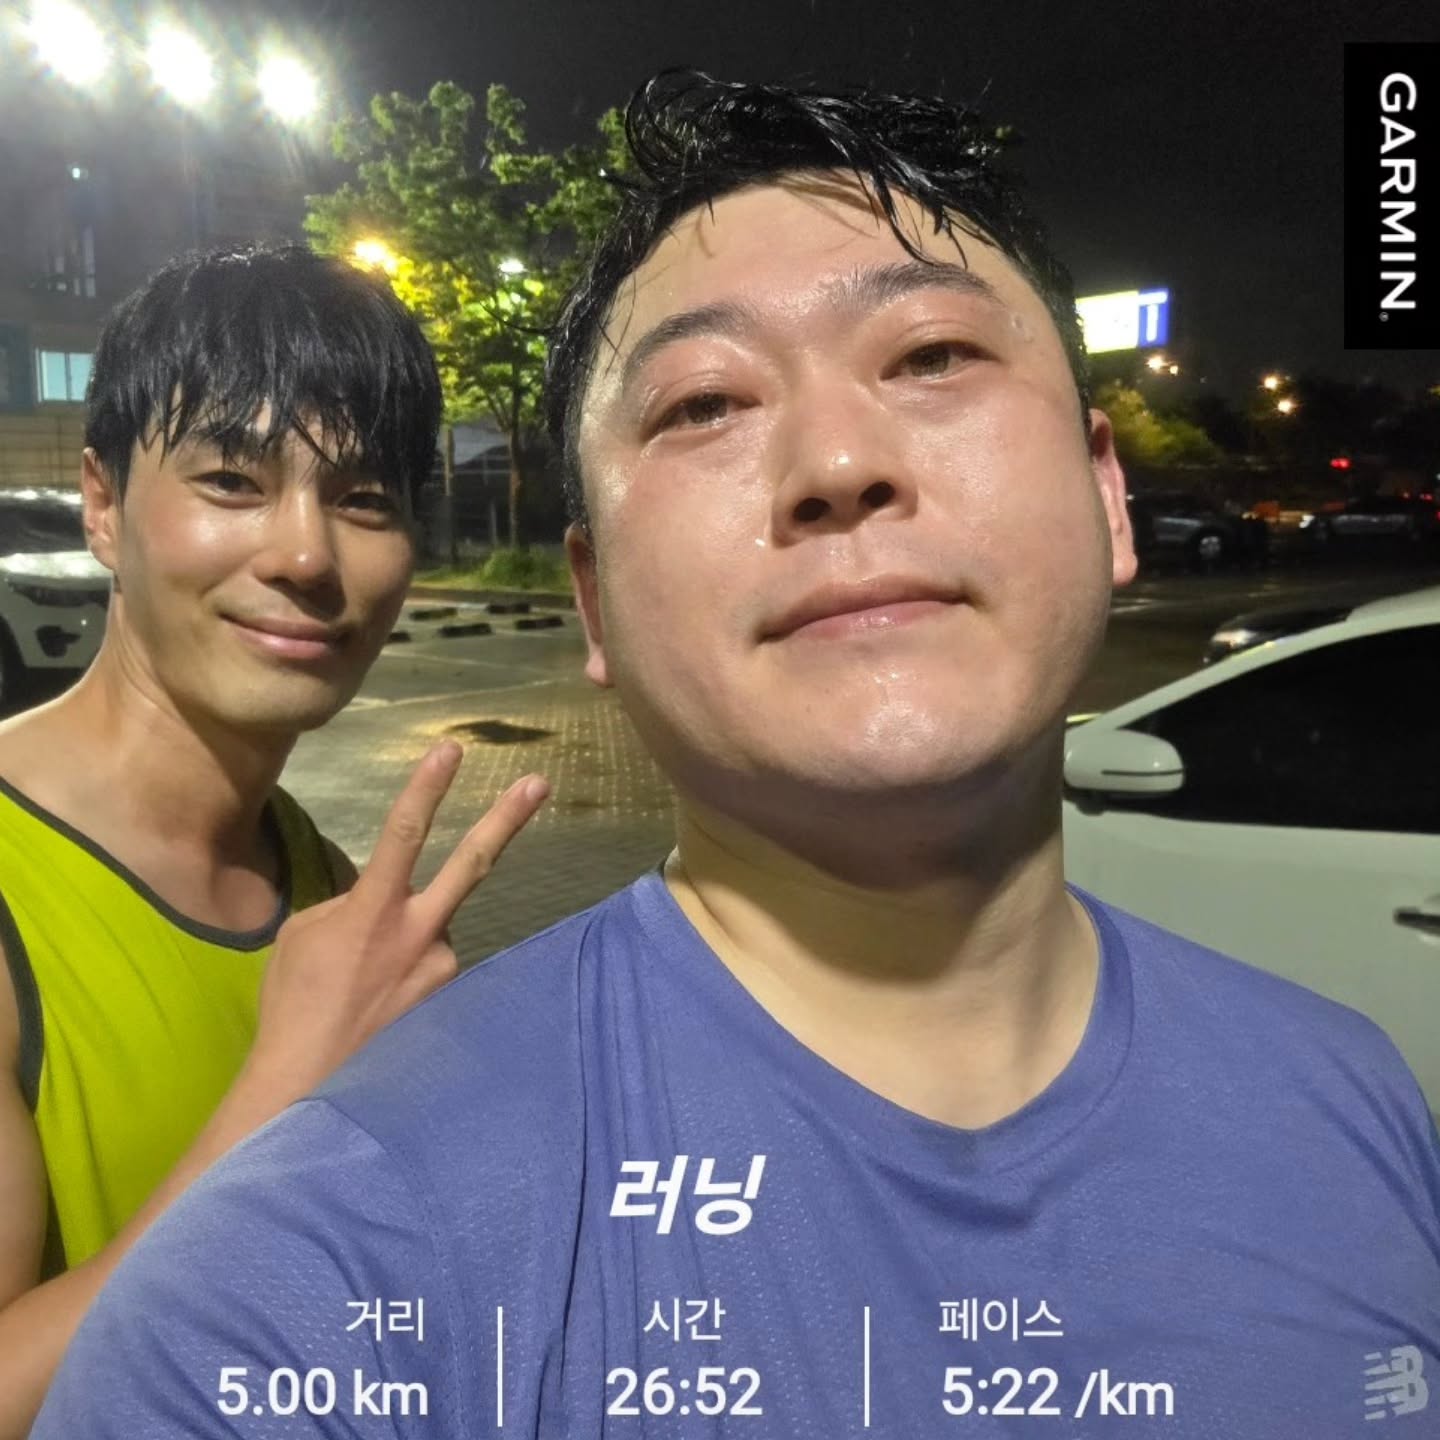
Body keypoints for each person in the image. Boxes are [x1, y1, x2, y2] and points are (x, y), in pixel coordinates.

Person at [35, 74, 1440, 1438]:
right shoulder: (308, 1278)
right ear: (594, 601)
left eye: (933, 356)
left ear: (1107, 493)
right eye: (705, 402)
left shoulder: (1356, 1101)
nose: (837, 461)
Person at [0, 245, 547, 1437]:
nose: (306, 554)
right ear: (103, 504)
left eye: (364, 499)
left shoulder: (327, 884)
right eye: (232, 481)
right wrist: (283, 1094)